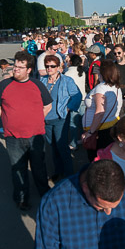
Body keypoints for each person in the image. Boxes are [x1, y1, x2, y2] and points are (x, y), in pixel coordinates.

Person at [0, 50, 52, 211]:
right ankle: (21, 197)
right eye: (15, 66)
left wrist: (37, 119)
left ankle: (44, 193)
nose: (15, 69)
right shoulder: (4, 85)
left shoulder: (37, 85)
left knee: (39, 167)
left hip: (36, 135)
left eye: (20, 67)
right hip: (13, 137)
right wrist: (8, 119)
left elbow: (48, 105)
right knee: (18, 168)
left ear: (29, 70)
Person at [40, 53, 82, 181]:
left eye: (52, 66)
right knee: (52, 146)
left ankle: (69, 175)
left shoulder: (66, 80)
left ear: (58, 67)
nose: (49, 69)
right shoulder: (42, 81)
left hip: (60, 118)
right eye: (47, 66)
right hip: (46, 118)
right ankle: (58, 171)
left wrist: (68, 108)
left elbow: (77, 95)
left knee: (62, 146)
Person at [81, 59, 124, 160]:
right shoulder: (115, 86)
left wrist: (90, 132)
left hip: (99, 131)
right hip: (110, 126)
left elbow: (100, 112)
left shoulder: (101, 88)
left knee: (96, 160)